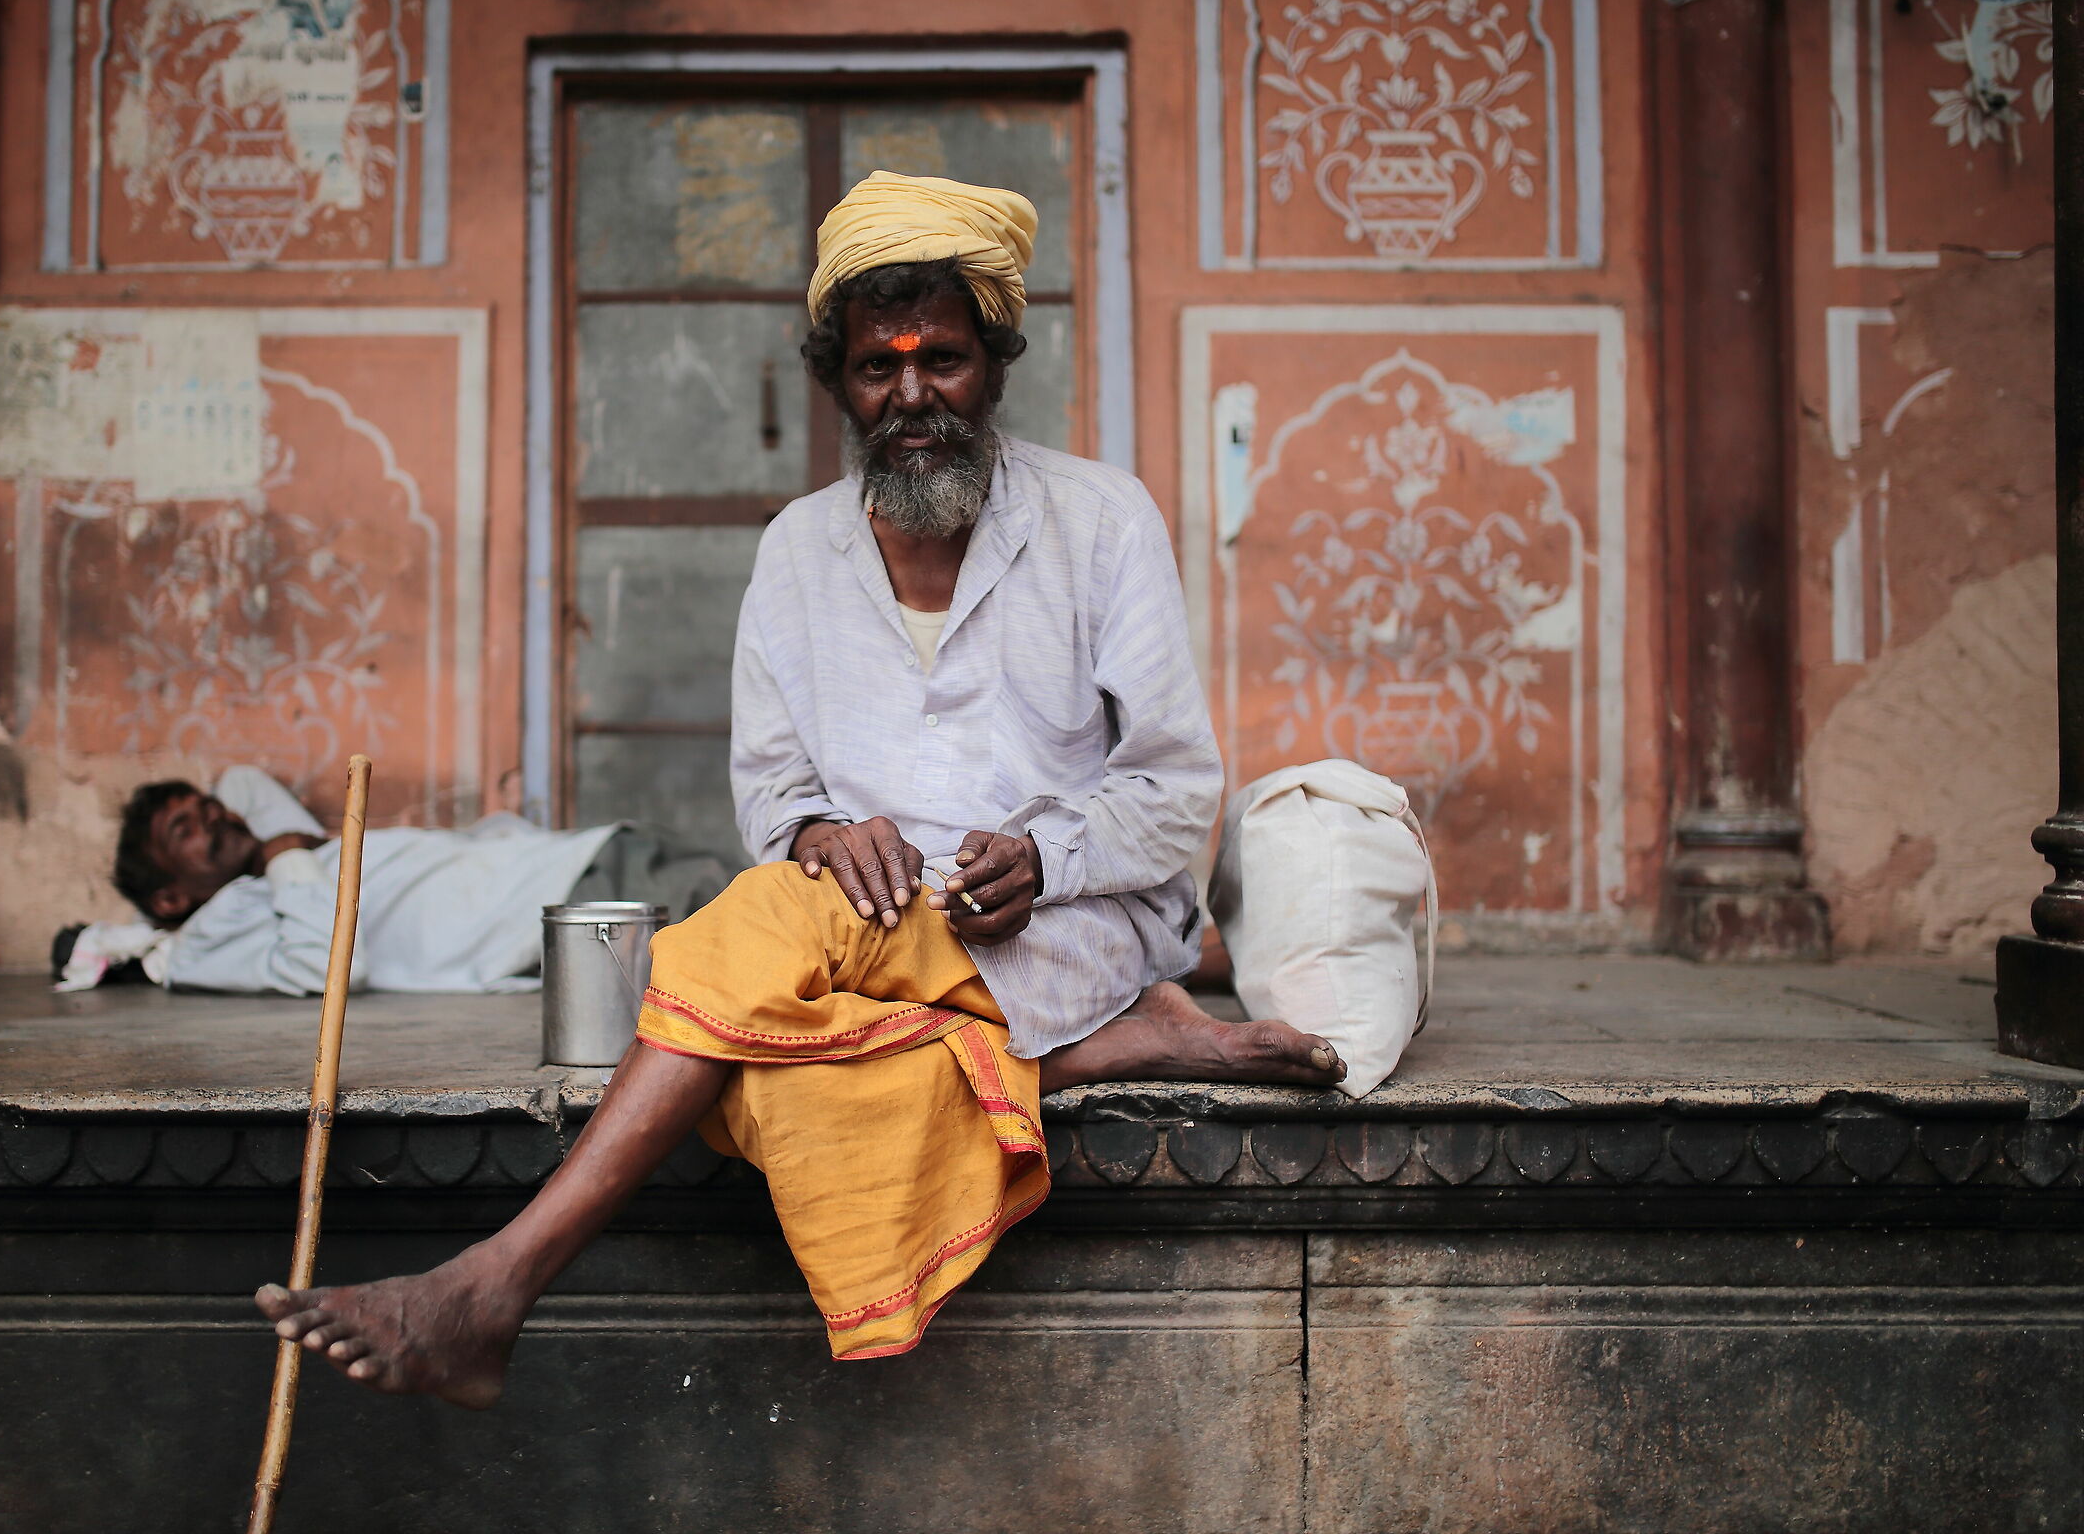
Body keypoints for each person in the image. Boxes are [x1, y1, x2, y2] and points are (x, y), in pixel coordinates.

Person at [255, 171, 1346, 1406]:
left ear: (994, 363)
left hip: (1065, 921)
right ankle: (1112, 1047)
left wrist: (1046, 855)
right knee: (778, 1056)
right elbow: (772, 786)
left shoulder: (1103, 522)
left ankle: (494, 1282)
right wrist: (822, 831)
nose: (912, 394)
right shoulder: (795, 551)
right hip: (865, 927)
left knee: (731, 966)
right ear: (840, 382)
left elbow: (1173, 786)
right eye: (879, 366)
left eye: (942, 358)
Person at [109, 766, 626, 993]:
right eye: (185, 830)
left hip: (573, 861)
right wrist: (285, 856)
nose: (215, 817)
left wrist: (284, 853)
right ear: (169, 898)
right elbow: (326, 971)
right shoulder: (204, 938)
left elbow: (241, 780)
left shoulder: (269, 879)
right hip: (571, 897)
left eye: (209, 807)